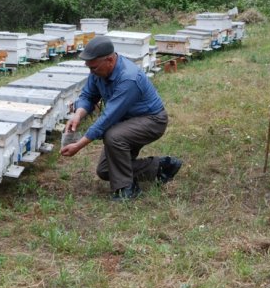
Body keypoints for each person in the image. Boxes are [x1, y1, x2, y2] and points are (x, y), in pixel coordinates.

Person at [60, 36, 182, 200]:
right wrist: (78, 115)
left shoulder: (128, 78)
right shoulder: (98, 71)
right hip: (126, 121)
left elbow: (107, 118)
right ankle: (162, 166)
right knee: (105, 170)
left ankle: (126, 189)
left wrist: (79, 145)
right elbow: (88, 95)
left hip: (152, 120)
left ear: (109, 60)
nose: (91, 72)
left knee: (114, 136)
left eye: (94, 68)